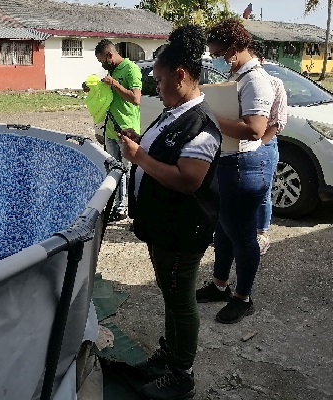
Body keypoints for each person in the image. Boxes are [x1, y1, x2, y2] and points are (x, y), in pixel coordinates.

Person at [119, 24, 221, 400]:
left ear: (180, 75)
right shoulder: (174, 112)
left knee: (181, 301)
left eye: (159, 80)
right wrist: (137, 142)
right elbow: (159, 150)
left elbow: (187, 180)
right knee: (171, 294)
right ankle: (169, 356)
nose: (155, 87)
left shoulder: (203, 126)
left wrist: (139, 156)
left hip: (183, 230)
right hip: (165, 226)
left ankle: (182, 374)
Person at [195, 19, 275, 324]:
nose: (218, 60)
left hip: (244, 166)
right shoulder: (237, 77)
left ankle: (244, 298)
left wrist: (209, 119)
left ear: (234, 48)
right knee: (223, 230)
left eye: (220, 53)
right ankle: (219, 285)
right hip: (227, 161)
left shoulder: (255, 80)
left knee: (242, 236)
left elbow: (255, 129)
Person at [84, 39, 142, 222]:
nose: (102, 64)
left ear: (110, 55)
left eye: (102, 60)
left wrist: (114, 84)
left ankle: (123, 207)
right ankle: (114, 205)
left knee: (125, 169)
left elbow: (136, 98)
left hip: (127, 128)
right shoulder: (111, 70)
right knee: (112, 169)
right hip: (110, 128)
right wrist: (90, 87)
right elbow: (104, 92)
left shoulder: (131, 69)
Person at [248, 41, 288, 255]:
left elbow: (277, 122)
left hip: (264, 143)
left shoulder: (274, 83)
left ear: (262, 61)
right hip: (242, 144)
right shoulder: (238, 81)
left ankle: (262, 234)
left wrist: (258, 144)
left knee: (263, 191)